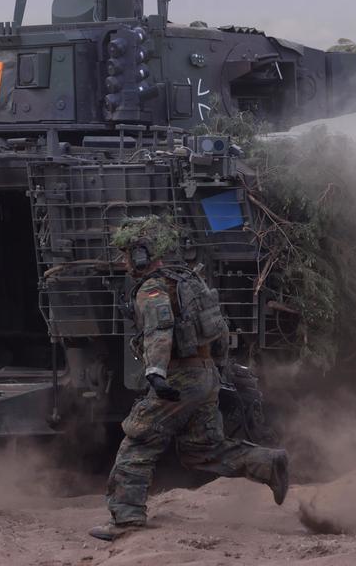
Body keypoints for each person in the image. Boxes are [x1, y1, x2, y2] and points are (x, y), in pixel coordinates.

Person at [89, 216, 289, 541]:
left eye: (127, 254)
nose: (124, 262)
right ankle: (267, 464)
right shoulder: (189, 281)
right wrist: (217, 370)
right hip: (205, 375)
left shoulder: (153, 289)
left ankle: (126, 519)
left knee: (137, 443)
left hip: (178, 379)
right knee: (201, 449)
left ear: (141, 255)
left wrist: (156, 373)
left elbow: (159, 330)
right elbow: (218, 330)